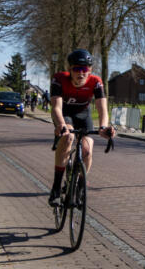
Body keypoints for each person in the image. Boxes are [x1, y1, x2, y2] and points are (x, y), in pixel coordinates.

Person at [48, 49, 114, 207]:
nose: (81, 73)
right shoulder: (59, 79)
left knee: (87, 150)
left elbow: (102, 109)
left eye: (85, 69)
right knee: (68, 137)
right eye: (77, 69)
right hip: (65, 114)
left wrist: (103, 127)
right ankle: (56, 188)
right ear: (70, 69)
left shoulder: (96, 82)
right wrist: (61, 125)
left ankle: (80, 186)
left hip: (83, 115)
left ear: (90, 70)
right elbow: (56, 107)